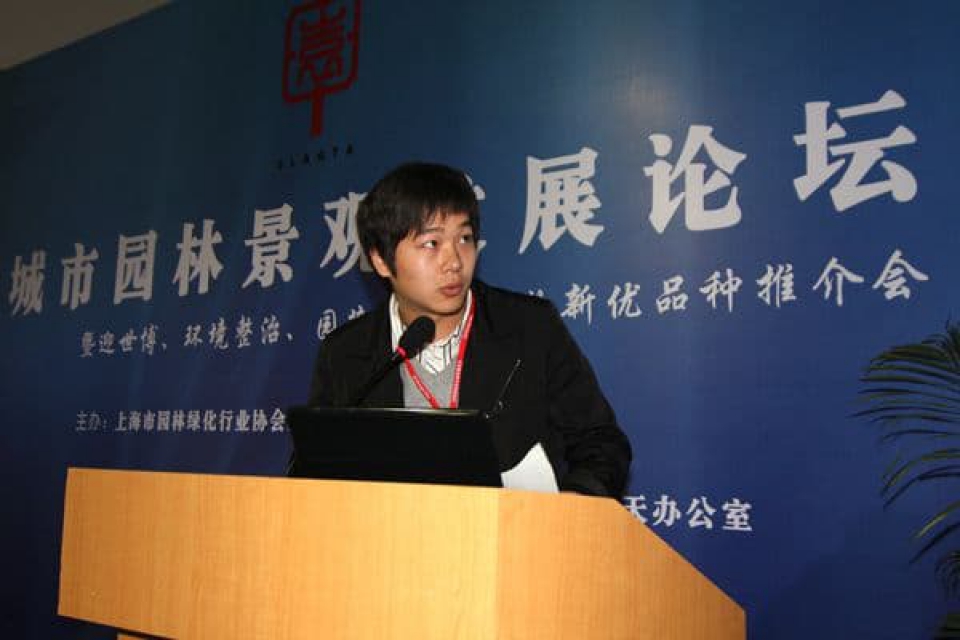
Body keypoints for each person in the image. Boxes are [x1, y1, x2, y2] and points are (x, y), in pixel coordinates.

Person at [307, 162, 631, 497]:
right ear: (380, 260)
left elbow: (602, 443)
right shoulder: (344, 354)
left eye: (464, 238)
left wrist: (568, 508)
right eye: (431, 243)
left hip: (513, 528)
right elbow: (316, 470)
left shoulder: (530, 328)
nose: (454, 262)